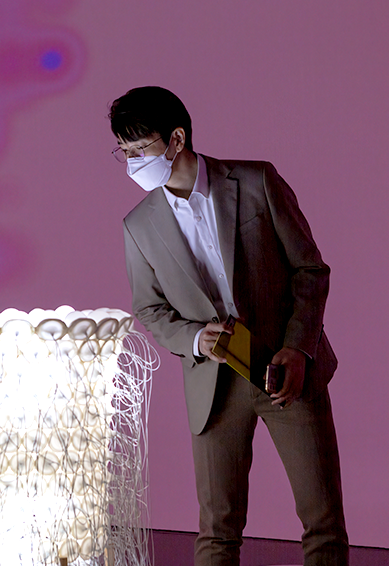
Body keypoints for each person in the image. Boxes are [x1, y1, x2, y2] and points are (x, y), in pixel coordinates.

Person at [111, 86, 348, 565]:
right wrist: (196, 339)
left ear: (177, 139)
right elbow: (150, 309)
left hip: (288, 371)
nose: (133, 162)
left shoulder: (257, 182)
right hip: (213, 386)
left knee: (323, 524)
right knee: (218, 531)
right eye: (125, 152)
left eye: (140, 149)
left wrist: (298, 349)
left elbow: (309, 270)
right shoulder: (138, 225)